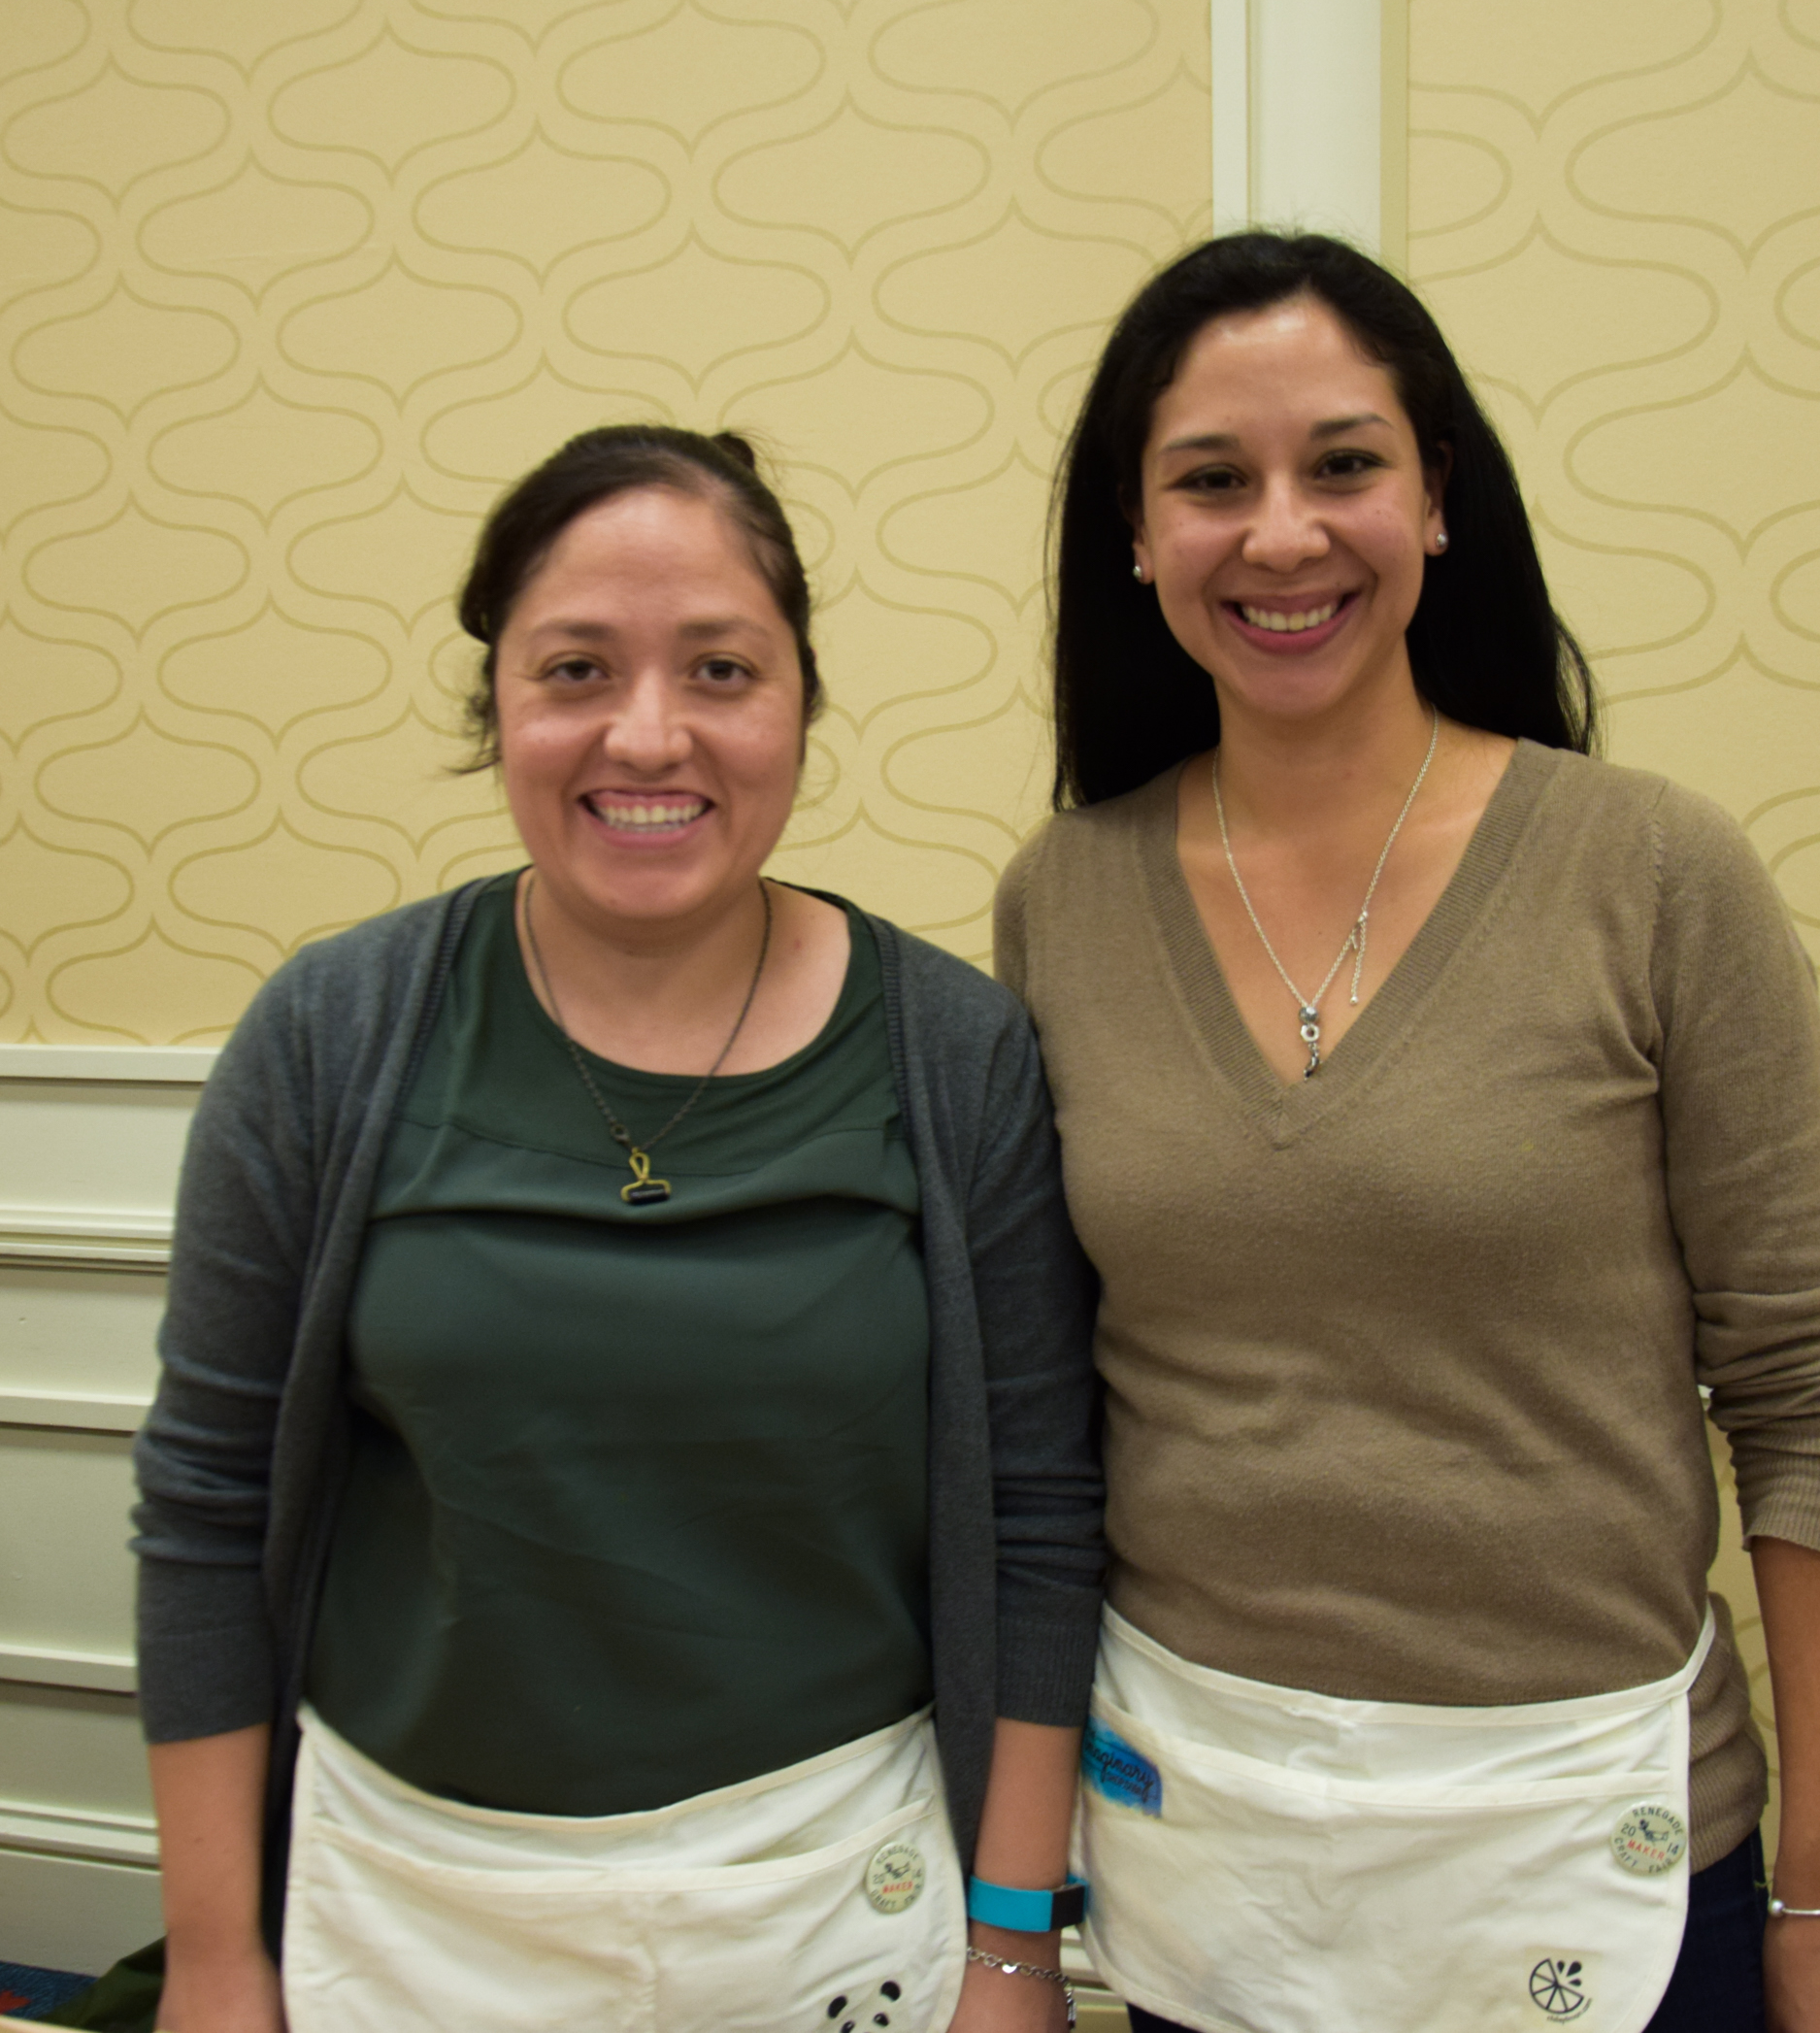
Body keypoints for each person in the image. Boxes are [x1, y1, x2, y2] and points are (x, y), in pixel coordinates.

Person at [993, 232, 1820, 2033]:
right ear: (1137, 536)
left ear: (1435, 501)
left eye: (1342, 464)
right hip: (1206, 1838)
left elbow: (1809, 1394)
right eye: (1212, 481)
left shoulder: (1654, 872)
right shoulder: (1064, 900)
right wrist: (1012, 1913)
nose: (1281, 535)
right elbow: (1049, 1428)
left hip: (1597, 1850)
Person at [132, 423, 1102, 2033]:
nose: (648, 736)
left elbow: (1041, 1528)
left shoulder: (957, 1055)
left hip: (833, 1897)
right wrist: (217, 1960)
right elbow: (207, 1514)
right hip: (414, 1903)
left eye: (720, 669)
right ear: (497, 702)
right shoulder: (330, 1033)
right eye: (576, 669)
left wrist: (1013, 1952)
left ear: (800, 703)